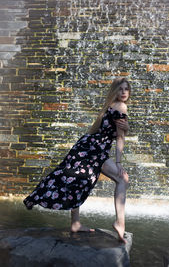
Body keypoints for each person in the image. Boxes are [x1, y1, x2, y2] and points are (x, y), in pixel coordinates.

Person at [23, 77, 130, 243]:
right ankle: (119, 223)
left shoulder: (109, 106)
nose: (124, 92)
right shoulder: (121, 107)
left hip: (86, 146)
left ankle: (75, 223)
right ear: (115, 91)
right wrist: (118, 162)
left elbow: (112, 131)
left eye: (126, 89)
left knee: (76, 180)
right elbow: (120, 138)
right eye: (120, 89)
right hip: (96, 150)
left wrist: (126, 129)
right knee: (122, 178)